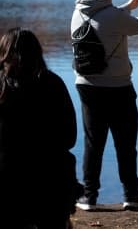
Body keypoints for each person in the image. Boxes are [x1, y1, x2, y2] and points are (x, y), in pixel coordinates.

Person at [71, 0, 138, 211]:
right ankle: (131, 195)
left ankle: (89, 197)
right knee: (125, 143)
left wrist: (128, 5)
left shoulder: (78, 12)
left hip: (86, 86)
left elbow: (106, 18)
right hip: (117, 87)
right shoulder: (112, 16)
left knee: (93, 143)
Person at [0, 28, 79, 228]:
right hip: (52, 180)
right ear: (37, 52)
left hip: (7, 181)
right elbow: (70, 137)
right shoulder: (52, 84)